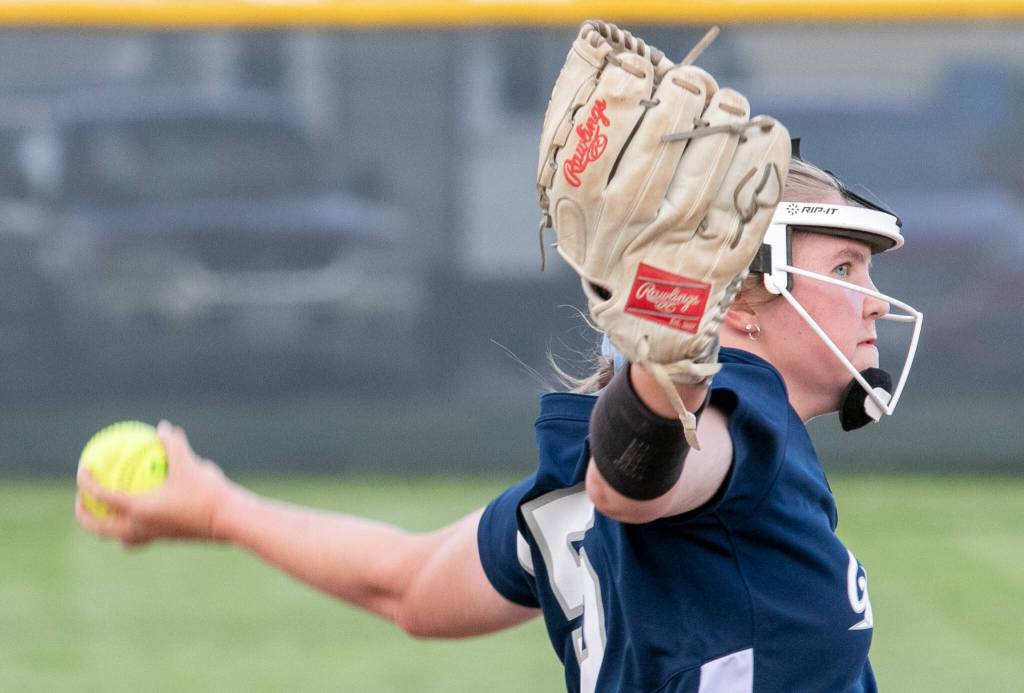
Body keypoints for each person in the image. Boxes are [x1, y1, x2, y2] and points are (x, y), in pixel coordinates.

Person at [76, 25, 923, 693]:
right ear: (736, 297)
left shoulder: (562, 498)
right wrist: (667, 357)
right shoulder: (742, 421)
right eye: (846, 269)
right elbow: (638, 483)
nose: (875, 299)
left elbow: (404, 586)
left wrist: (221, 509)